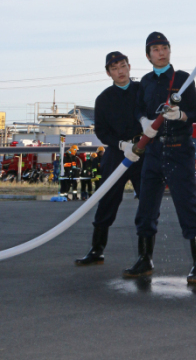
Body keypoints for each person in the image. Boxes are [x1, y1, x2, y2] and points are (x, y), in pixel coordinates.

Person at [123, 32, 196, 284]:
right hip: (153, 152)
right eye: (155, 49)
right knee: (146, 206)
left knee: (186, 205)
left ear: (170, 50)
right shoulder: (146, 82)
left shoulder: (183, 79)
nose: (161, 52)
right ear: (148, 55)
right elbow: (138, 107)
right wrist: (143, 120)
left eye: (164, 48)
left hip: (179, 149)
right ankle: (145, 259)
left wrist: (181, 115)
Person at [75, 51, 143, 266]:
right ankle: (97, 250)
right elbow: (102, 131)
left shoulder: (143, 91)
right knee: (106, 199)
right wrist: (121, 145)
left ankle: (145, 256)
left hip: (144, 151)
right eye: (114, 68)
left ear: (129, 67)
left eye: (122, 66)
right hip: (117, 153)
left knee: (148, 203)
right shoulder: (104, 99)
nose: (120, 71)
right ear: (108, 73)